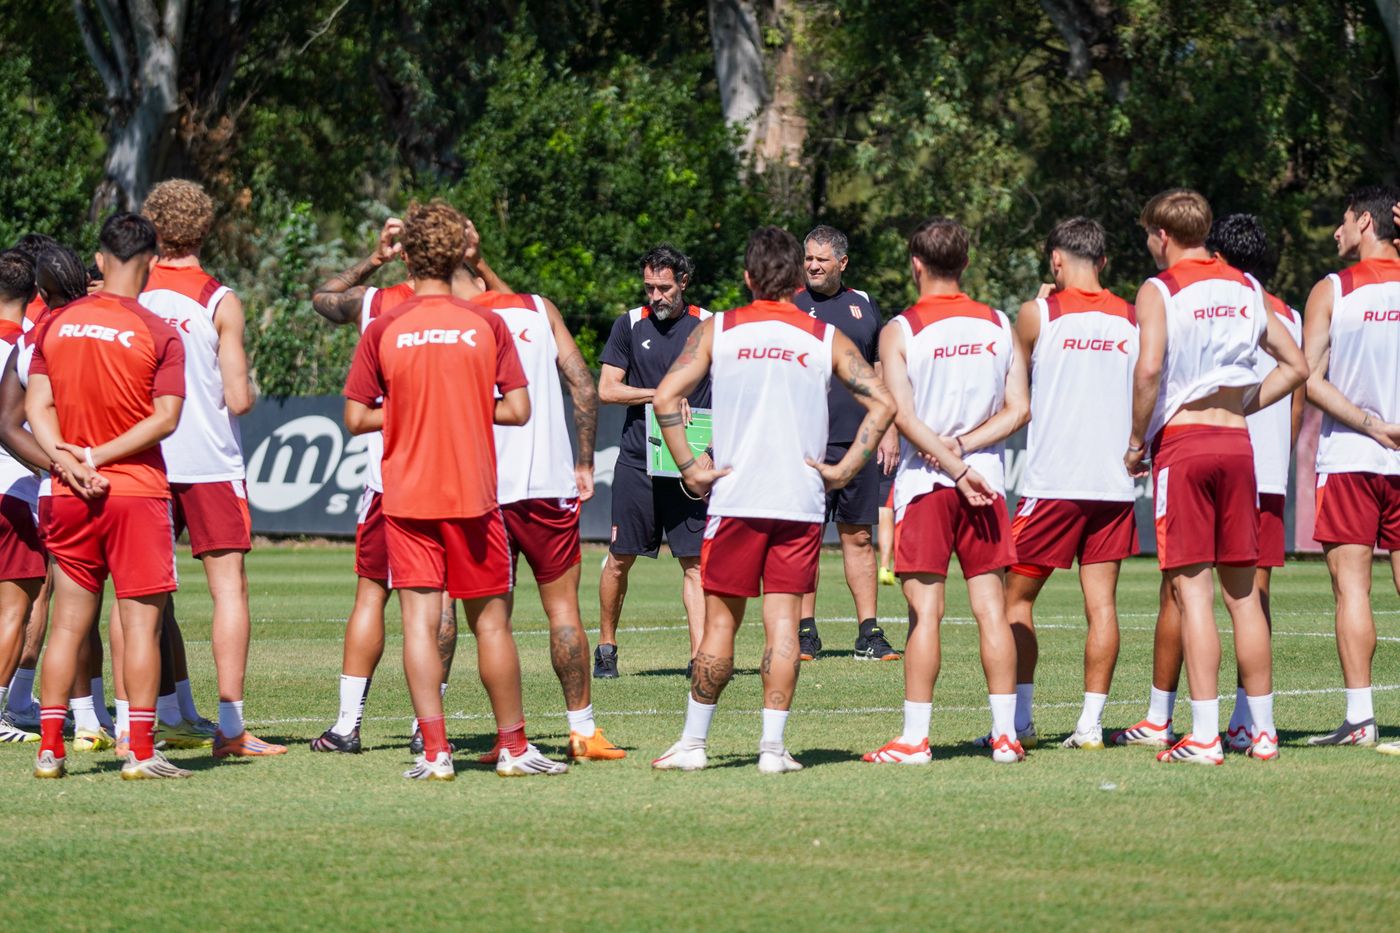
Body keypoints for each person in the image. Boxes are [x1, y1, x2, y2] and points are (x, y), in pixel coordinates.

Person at [649, 225, 895, 773]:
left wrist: (691, 467)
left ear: (747, 276)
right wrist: (845, 468)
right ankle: (772, 750)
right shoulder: (824, 337)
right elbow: (882, 402)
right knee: (784, 627)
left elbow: (666, 396)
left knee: (719, 626)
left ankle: (693, 745)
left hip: (736, 498)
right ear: (792, 277)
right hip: (799, 501)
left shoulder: (720, 329)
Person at [343, 199, 565, 780]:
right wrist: (466, 405)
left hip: (408, 497)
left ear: (410, 254)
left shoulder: (386, 324)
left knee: (418, 624)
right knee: (490, 624)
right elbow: (518, 410)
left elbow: (355, 417)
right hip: (474, 496)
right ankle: (515, 749)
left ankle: (436, 753)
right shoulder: (487, 323)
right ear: (459, 252)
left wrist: (408, 409)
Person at [1123, 189, 1307, 766]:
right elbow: (1297, 365)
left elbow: (1150, 367)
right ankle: (1263, 731)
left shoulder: (1161, 288)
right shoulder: (1248, 287)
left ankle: (1203, 734)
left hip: (1185, 442)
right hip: (1238, 444)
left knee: (1193, 593)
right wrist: (1247, 404)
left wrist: (1135, 442)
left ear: (1162, 235)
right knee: (1245, 596)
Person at [123, 179, 284, 759]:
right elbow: (238, 399)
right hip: (211, 461)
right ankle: (231, 728)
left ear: (152, 227)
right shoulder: (220, 297)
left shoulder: (129, 295)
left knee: (138, 598)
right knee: (228, 592)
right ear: (205, 227)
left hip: (143, 460)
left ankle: (128, 728)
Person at [26, 212, 190, 780]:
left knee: (68, 625)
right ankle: (140, 752)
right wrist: (99, 458)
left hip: (68, 491)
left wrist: (68, 461)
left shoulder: (56, 324)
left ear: (99, 261)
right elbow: (166, 419)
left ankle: (50, 748)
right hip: (135, 492)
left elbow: (35, 410)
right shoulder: (159, 331)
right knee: (140, 625)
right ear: (150, 262)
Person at [449, 234, 625, 761]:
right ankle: (583, 731)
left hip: (482, 489)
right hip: (548, 487)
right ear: (481, 267)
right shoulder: (538, 309)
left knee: (485, 620)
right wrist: (586, 460)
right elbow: (583, 386)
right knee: (563, 611)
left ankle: (505, 737)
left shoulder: (452, 322)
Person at [861, 217, 1029, 765]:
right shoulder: (999, 323)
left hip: (929, 485)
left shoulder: (899, 329)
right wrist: (965, 448)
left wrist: (949, 459)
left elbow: (902, 417)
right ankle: (1005, 736)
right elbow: (1019, 410)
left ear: (916, 264)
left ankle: (915, 739)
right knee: (991, 611)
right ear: (966, 263)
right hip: (987, 482)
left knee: (924, 616)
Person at [310, 217, 457, 754]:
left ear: (406, 253)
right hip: (456, 475)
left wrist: (374, 259)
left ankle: (348, 725)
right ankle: (427, 728)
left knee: (372, 595)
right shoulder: (474, 306)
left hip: (389, 477)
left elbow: (323, 297)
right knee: (442, 602)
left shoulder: (374, 304)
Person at [1003, 218, 1139, 751]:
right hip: (1112, 484)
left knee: (1016, 601)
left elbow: (1009, 385)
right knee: (1101, 605)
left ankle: (1020, 721)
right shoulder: (1134, 318)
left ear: (1055, 261)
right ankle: (1089, 726)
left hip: (1053, 483)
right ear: (1103, 261)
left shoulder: (1039, 314)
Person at [1301, 188, 1400, 752]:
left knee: (1352, 590)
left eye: (1342, 221)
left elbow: (1309, 379)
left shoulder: (1332, 289)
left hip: (1352, 459)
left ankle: (1361, 718)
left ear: (1366, 221)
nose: (1336, 232)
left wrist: (1368, 423)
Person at [596, 245, 711, 678]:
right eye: (649, 287)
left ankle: (699, 656)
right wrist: (661, 396)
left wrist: (711, 451)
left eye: (664, 288)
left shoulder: (709, 326)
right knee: (620, 557)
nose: (656, 296)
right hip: (637, 461)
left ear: (683, 282)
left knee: (695, 564)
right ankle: (606, 646)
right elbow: (607, 389)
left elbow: (730, 392)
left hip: (690, 466)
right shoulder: (629, 324)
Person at [793, 225, 900, 662]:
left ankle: (868, 633)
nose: (813, 266)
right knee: (803, 537)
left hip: (858, 442)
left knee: (858, 537)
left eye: (822, 259)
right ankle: (804, 632)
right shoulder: (791, 304)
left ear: (842, 263)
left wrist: (889, 427)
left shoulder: (864, 305)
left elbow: (878, 367)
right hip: (804, 443)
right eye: (809, 258)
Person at [0, 250, 47, 743]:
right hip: (14, 491)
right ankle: (8, 706)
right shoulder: (29, 349)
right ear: (33, 295)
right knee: (17, 606)